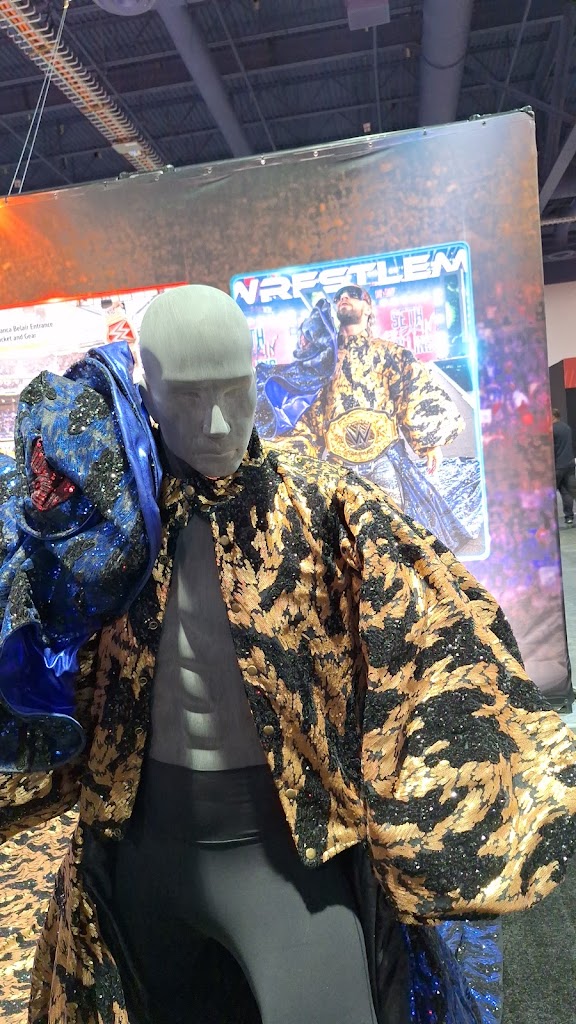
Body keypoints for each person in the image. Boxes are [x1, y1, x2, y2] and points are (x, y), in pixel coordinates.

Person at [1, 285, 576, 1024]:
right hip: (138, 855)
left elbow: (437, 632)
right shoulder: (107, 529)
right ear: (148, 393)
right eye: (189, 396)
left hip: (287, 855)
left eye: (233, 390)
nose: (217, 422)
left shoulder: (322, 505)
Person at [257, 285, 480, 551]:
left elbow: (412, 388)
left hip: (385, 459)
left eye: (352, 295)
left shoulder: (390, 354)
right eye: (339, 297)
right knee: (353, 539)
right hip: (342, 467)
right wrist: (294, 457)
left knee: (398, 533)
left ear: (368, 307)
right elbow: (309, 416)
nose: (344, 298)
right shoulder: (322, 363)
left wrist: (430, 441)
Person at [552, 407, 575, 525]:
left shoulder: (551, 430)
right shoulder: (567, 428)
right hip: (569, 464)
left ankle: (550, 518)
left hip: (557, 465)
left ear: (552, 416)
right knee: (567, 492)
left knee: (550, 493)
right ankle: (569, 517)